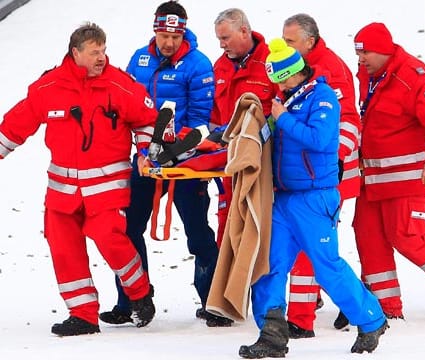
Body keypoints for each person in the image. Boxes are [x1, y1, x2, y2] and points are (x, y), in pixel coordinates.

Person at [0, 22, 156, 336]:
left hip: (107, 189)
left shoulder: (120, 85)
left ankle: (140, 293)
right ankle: (83, 315)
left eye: (103, 50)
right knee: (63, 247)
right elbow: (17, 124)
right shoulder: (48, 87)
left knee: (109, 238)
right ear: (76, 53)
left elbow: (148, 120)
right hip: (62, 193)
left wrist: (144, 150)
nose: (101, 57)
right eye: (94, 52)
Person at [238, 38, 388, 359]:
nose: (275, 85)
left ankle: (371, 319)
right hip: (285, 197)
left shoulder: (322, 97)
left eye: (278, 78)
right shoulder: (287, 100)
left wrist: (284, 118)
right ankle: (272, 334)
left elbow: (321, 140)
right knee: (269, 265)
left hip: (315, 198)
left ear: (291, 74)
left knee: (326, 266)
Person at [97, 1, 231, 328]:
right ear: (154, 29)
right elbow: (128, 110)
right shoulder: (138, 60)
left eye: (175, 35)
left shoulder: (198, 65)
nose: (169, 42)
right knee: (128, 229)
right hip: (145, 158)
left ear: (183, 33)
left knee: (198, 234)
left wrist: (172, 151)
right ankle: (132, 301)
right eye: (163, 34)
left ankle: (213, 302)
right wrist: (145, 150)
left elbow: (201, 122)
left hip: (188, 162)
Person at [342, 22, 425, 325]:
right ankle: (384, 306)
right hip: (373, 177)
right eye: (358, 54)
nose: (361, 60)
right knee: (368, 235)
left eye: (367, 54)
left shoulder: (413, 77)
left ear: (385, 50)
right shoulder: (369, 75)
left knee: (406, 235)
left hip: (411, 175)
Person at [280, 13, 362, 338]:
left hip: (324, 176)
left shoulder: (332, 70)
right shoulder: (291, 70)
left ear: (309, 42)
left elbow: (349, 121)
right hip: (300, 176)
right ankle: (346, 301)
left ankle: (301, 320)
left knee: (310, 248)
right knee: (315, 249)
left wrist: (335, 158)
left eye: (290, 41)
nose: (284, 47)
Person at [211, 9, 278, 250]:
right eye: (219, 39)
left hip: (261, 165)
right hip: (229, 165)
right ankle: (228, 285)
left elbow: (281, 112)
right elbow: (215, 115)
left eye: (225, 38)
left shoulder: (271, 62)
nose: (221, 45)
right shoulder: (220, 66)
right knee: (228, 229)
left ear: (244, 31)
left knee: (259, 232)